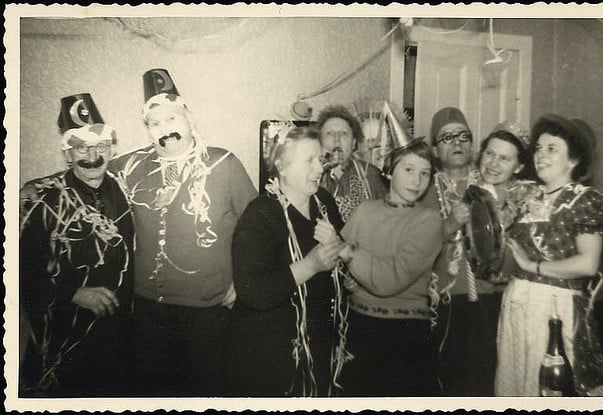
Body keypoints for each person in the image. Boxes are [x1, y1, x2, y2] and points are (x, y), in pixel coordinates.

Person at [104, 68, 257, 396]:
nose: (165, 129)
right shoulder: (130, 167)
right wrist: (36, 187)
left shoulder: (223, 164)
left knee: (206, 391)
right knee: (154, 393)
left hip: (208, 306)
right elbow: (89, 171)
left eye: (172, 118)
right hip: (148, 309)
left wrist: (245, 280)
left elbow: (259, 226)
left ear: (189, 118)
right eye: (154, 123)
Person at [495, 113, 603, 396]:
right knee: (513, 387)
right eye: (538, 148)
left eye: (552, 149)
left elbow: (588, 264)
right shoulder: (526, 199)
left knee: (548, 388)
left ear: (573, 160)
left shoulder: (585, 200)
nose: (541, 155)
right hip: (517, 303)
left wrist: (533, 266)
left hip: (555, 308)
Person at [19, 93, 135, 397]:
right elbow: (20, 273)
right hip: (65, 344)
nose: (93, 156)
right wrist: (74, 293)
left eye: (101, 146)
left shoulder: (126, 187)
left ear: (112, 149)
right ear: (67, 154)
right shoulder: (43, 203)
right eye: (81, 147)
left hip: (120, 339)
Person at [224, 126, 347, 397]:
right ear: (281, 167)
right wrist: (310, 265)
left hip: (318, 343)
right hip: (272, 354)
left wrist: (338, 244)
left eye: (320, 159)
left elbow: (343, 260)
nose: (320, 169)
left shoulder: (324, 202)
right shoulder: (260, 214)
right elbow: (252, 292)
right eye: (309, 161)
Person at [337, 105, 442, 396]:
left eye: (425, 173)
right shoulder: (365, 211)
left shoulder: (429, 221)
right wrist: (348, 278)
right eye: (408, 170)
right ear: (388, 170)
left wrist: (349, 255)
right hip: (360, 327)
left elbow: (389, 280)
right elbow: (341, 265)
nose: (417, 181)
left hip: (405, 335)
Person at [421, 107, 500, 396]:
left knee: (490, 380)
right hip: (447, 301)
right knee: (452, 381)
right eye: (447, 137)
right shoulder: (424, 189)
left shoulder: (492, 183)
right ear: (435, 150)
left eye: (463, 136)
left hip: (491, 295)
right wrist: (451, 223)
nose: (456, 142)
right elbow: (419, 247)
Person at [474, 122, 541, 283]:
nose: (493, 163)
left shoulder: (530, 202)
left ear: (518, 168)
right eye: (489, 153)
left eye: (504, 158)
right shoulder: (464, 189)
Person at [318, 105, 386, 222]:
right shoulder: (310, 175)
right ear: (319, 141)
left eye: (344, 133)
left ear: (354, 143)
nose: (337, 139)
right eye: (329, 133)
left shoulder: (372, 175)